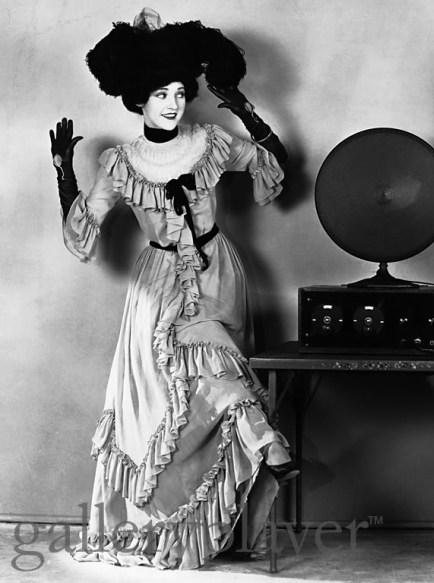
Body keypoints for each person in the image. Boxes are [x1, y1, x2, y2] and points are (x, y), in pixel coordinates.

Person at [50, 8, 296, 569]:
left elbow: (274, 167)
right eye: (161, 93)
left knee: (214, 371)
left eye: (182, 92)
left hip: (217, 270)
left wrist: (246, 110)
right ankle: (248, 459)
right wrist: (65, 172)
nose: (173, 102)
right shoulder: (121, 162)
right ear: (138, 100)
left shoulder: (211, 141)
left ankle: (230, 508)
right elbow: (82, 233)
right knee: (163, 404)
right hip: (158, 282)